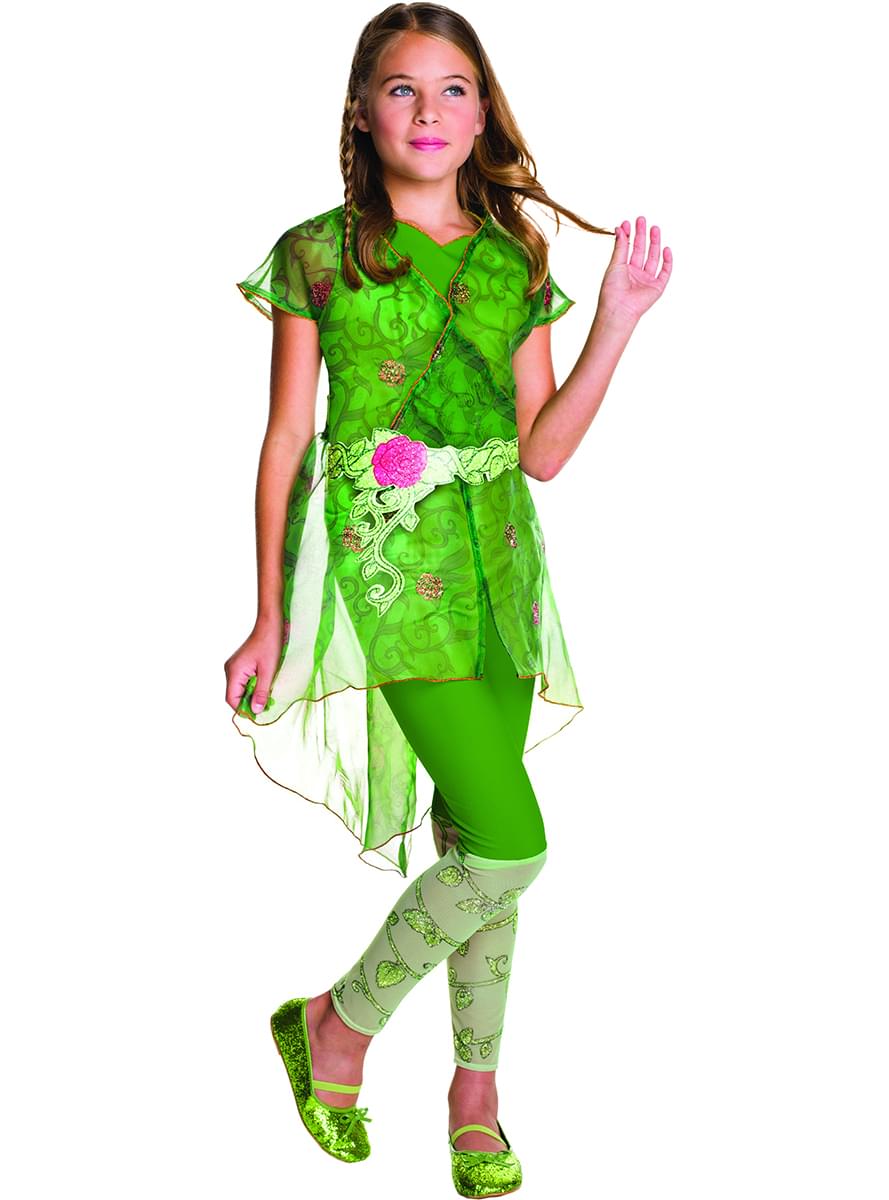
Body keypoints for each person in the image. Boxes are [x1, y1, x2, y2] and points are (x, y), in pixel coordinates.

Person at [223, 3, 671, 1193]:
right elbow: (285, 440)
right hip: (389, 565)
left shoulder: (513, 257)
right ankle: (337, 1026)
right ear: (362, 113)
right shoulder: (318, 253)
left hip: (500, 563)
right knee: (515, 846)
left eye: (454, 88)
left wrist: (615, 324)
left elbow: (543, 452)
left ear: (482, 115)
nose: (429, 111)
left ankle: (476, 1092)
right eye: (402, 88)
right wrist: (268, 614)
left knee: (476, 833)